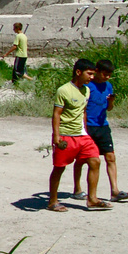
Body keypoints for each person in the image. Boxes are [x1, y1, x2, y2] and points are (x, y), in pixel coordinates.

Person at [48, 58, 108, 212]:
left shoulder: (86, 90)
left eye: (93, 74)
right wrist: (56, 136)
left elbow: (83, 112)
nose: (92, 77)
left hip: (82, 135)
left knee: (95, 161)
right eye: (89, 74)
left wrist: (86, 132)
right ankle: (53, 201)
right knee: (59, 168)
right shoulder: (64, 90)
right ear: (78, 72)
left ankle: (92, 199)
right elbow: (56, 114)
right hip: (66, 135)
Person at [72, 58, 128, 202]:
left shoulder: (108, 86)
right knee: (82, 159)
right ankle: (77, 189)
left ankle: (115, 191)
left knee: (110, 157)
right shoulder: (87, 87)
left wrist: (111, 101)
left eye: (109, 75)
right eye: (105, 74)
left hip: (103, 126)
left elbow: (108, 108)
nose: (107, 77)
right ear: (97, 71)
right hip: (88, 127)